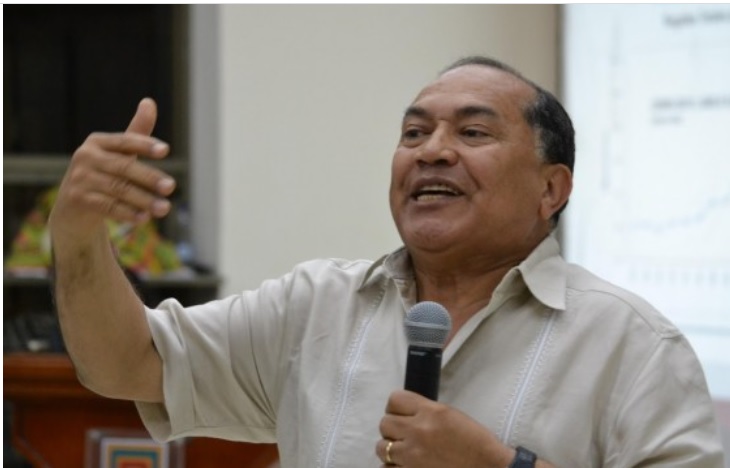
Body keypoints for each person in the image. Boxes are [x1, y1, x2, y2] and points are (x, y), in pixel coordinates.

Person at [49, 56, 726, 468]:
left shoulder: (632, 346)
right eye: (414, 132)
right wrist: (77, 234)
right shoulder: (315, 307)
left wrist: (500, 467)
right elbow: (124, 363)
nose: (432, 150)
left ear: (552, 189)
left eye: (473, 131)